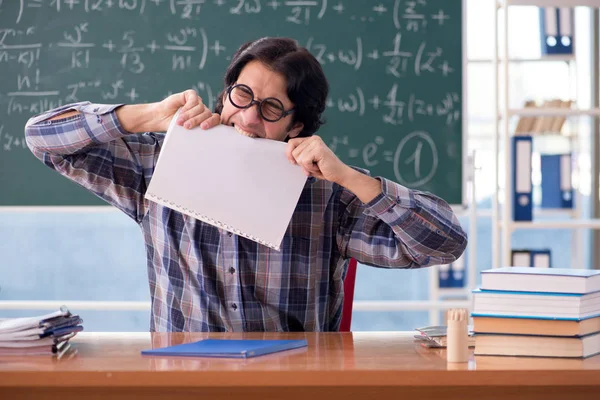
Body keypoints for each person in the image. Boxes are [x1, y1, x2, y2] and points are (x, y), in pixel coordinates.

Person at [25, 37, 467, 332]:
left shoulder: (327, 195)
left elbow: (443, 244)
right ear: (225, 94)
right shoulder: (161, 161)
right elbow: (43, 139)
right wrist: (149, 116)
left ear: (299, 126)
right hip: (184, 381)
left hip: (293, 385)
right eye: (242, 95)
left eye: (272, 108)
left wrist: (351, 178)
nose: (250, 117)